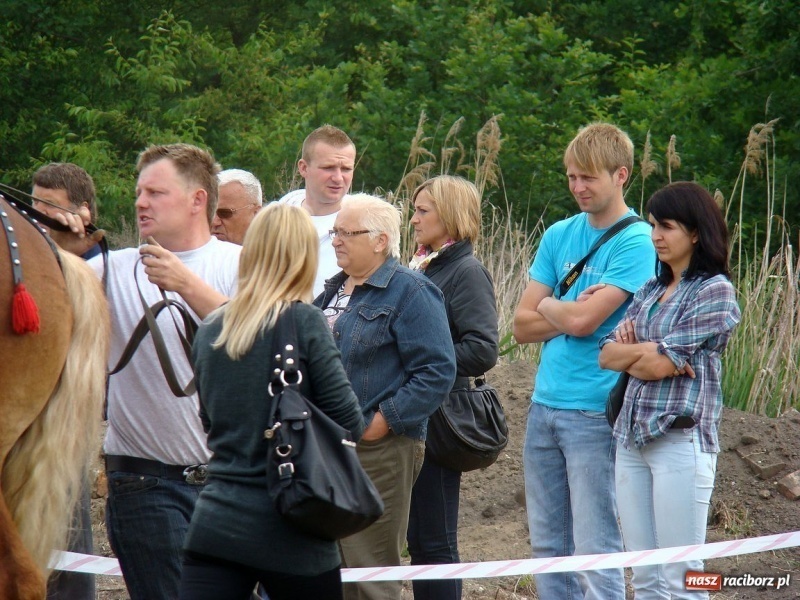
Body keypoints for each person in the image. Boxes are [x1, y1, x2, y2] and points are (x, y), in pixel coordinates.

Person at [74, 144, 242, 600]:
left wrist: (186, 285)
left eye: (156, 192)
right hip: (144, 484)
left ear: (197, 200)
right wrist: (62, 251)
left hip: (234, 483)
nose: (140, 202)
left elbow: (262, 344)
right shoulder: (111, 268)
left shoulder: (240, 264)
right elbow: (42, 309)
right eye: (138, 192)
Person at [179, 203, 364, 600]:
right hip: (292, 526)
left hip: (215, 523)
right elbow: (350, 421)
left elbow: (210, 421)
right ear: (303, 258)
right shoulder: (305, 322)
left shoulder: (212, 327)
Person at [512, 122, 655, 600]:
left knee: (596, 544)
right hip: (544, 404)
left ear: (621, 175)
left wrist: (554, 306)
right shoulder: (558, 233)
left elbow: (579, 322)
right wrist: (567, 310)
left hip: (595, 409)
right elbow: (520, 325)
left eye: (588, 177)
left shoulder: (636, 241)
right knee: (548, 544)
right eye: (571, 177)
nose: (577, 187)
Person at [599, 182, 740, 599]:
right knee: (644, 576)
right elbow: (606, 355)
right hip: (631, 437)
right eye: (653, 225)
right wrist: (654, 352)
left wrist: (644, 351)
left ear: (695, 232)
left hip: (679, 438)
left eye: (667, 226)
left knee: (683, 576)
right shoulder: (650, 289)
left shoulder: (714, 290)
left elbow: (660, 362)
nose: (656, 235)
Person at [314, 193, 456, 600]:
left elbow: (436, 371)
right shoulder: (332, 291)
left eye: (347, 232)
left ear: (380, 241)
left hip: (379, 450)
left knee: (369, 574)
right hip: (325, 446)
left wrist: (381, 423)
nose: (336, 240)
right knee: (328, 569)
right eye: (334, 231)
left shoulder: (411, 291)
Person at [405, 175, 498, 600]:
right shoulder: (423, 264)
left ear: (452, 216)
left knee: (435, 543)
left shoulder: (465, 271)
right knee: (419, 541)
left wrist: (420, 364)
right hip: (413, 414)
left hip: (439, 420)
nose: (414, 219)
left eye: (424, 211)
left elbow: (482, 350)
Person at [29, 162, 98, 600]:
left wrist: (76, 250)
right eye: (33, 205)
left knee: (69, 541)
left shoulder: (96, 262)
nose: (37, 217)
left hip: (63, 425)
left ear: (82, 213)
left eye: (49, 208)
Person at [280, 124, 356, 297]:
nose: (338, 178)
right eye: (328, 168)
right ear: (303, 168)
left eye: (346, 169)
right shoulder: (277, 216)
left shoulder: (366, 223)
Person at [32, 161, 103, 260]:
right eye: (35, 202)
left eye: (49, 204)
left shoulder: (99, 262)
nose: (37, 211)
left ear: (81, 211)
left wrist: (65, 254)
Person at [211, 168, 263, 245]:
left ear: (256, 214)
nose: (214, 222)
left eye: (224, 213)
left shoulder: (277, 255)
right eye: (209, 213)